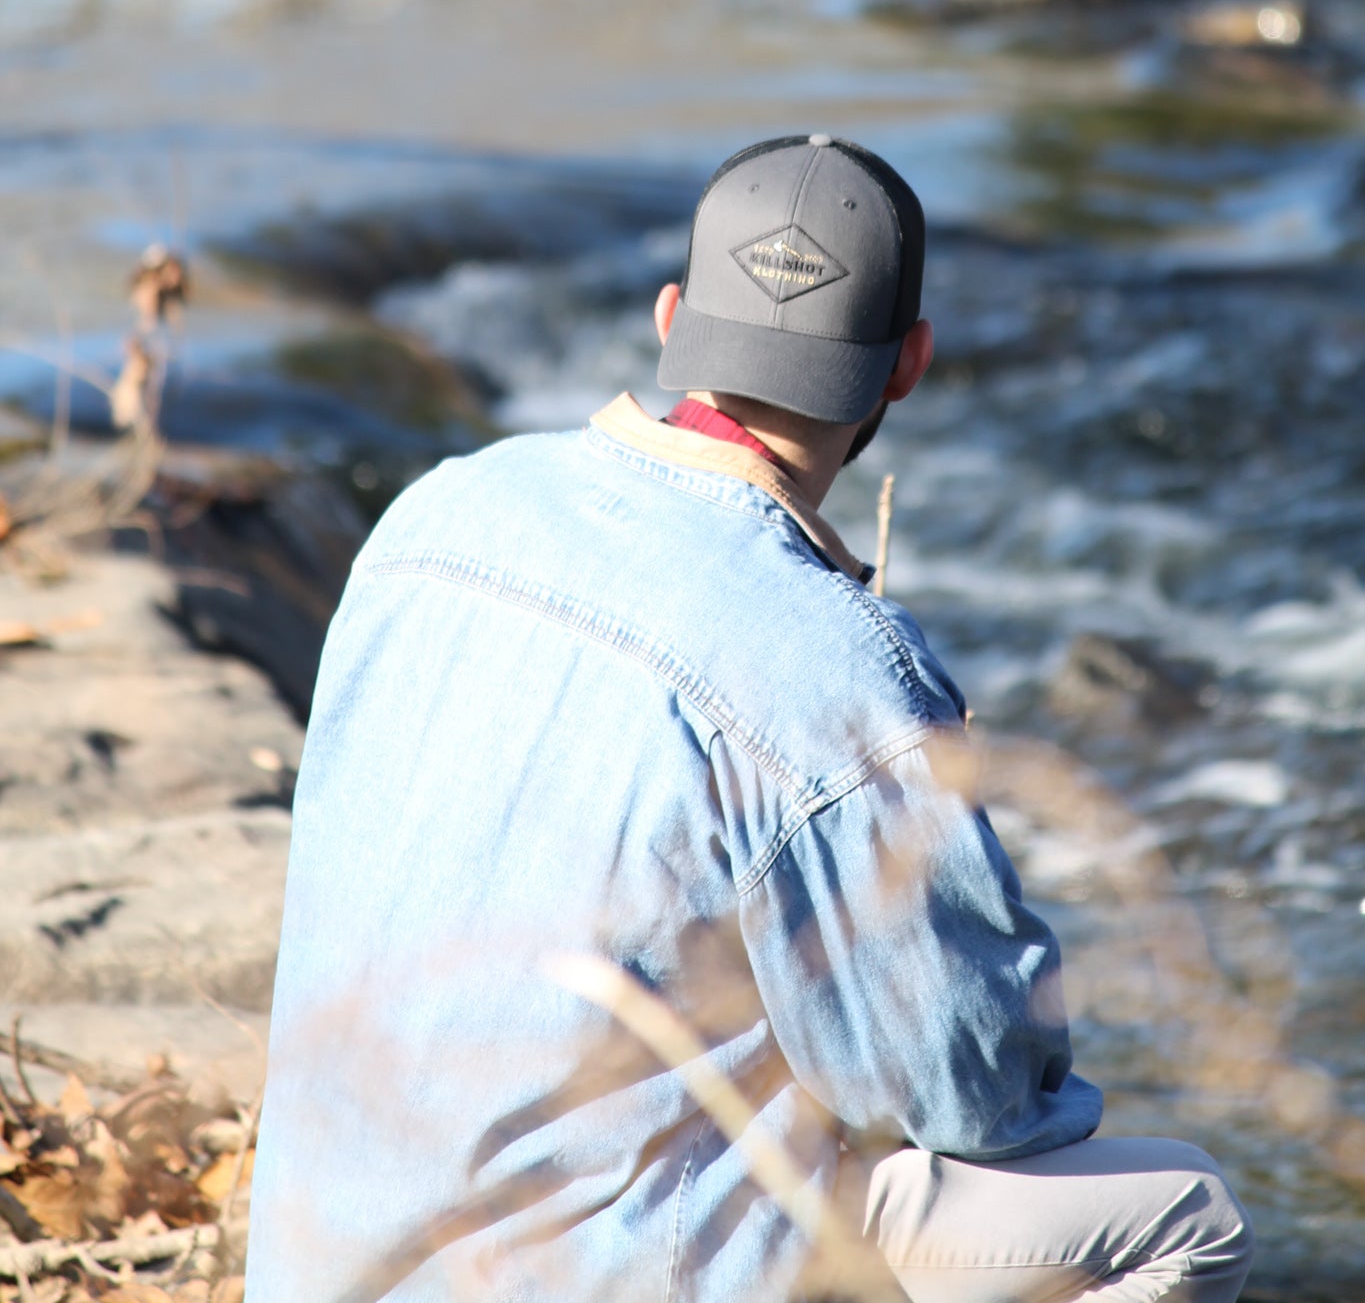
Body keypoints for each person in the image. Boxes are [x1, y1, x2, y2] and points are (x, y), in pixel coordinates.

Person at [246, 134, 1254, 1303]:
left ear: (674, 315)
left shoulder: (439, 509)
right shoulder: (830, 658)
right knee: (1188, 1215)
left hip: (321, 1256)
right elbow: (974, 1092)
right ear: (908, 364)